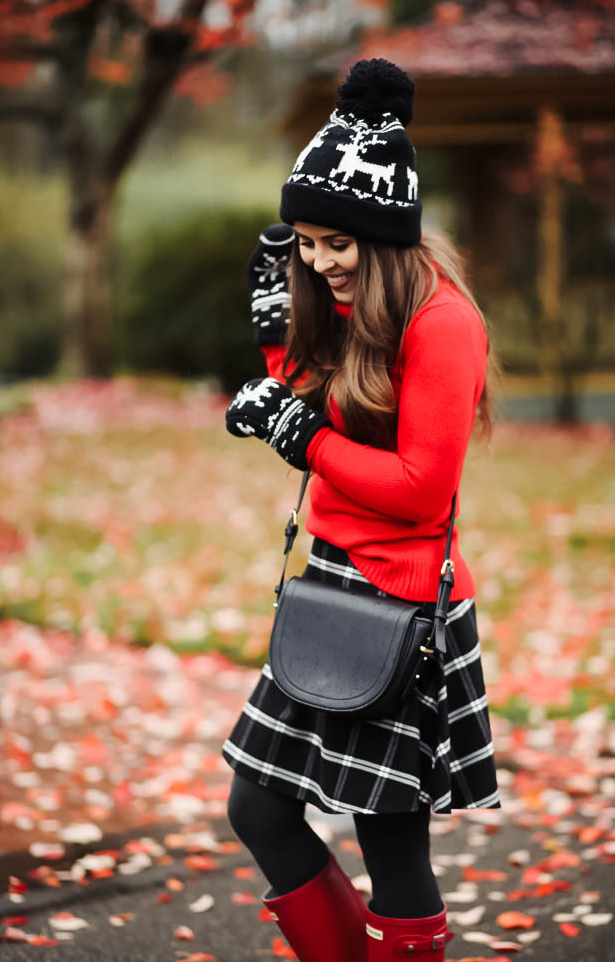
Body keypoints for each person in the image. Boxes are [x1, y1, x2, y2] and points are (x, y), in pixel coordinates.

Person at [222, 58, 500, 962]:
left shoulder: (443, 323)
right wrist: (276, 346)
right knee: (257, 803)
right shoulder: (353, 310)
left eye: (335, 243)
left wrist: (301, 438)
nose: (318, 260)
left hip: (401, 604)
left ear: (384, 236)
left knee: (392, 844)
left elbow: (420, 488)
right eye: (305, 241)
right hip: (332, 586)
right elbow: (316, 403)